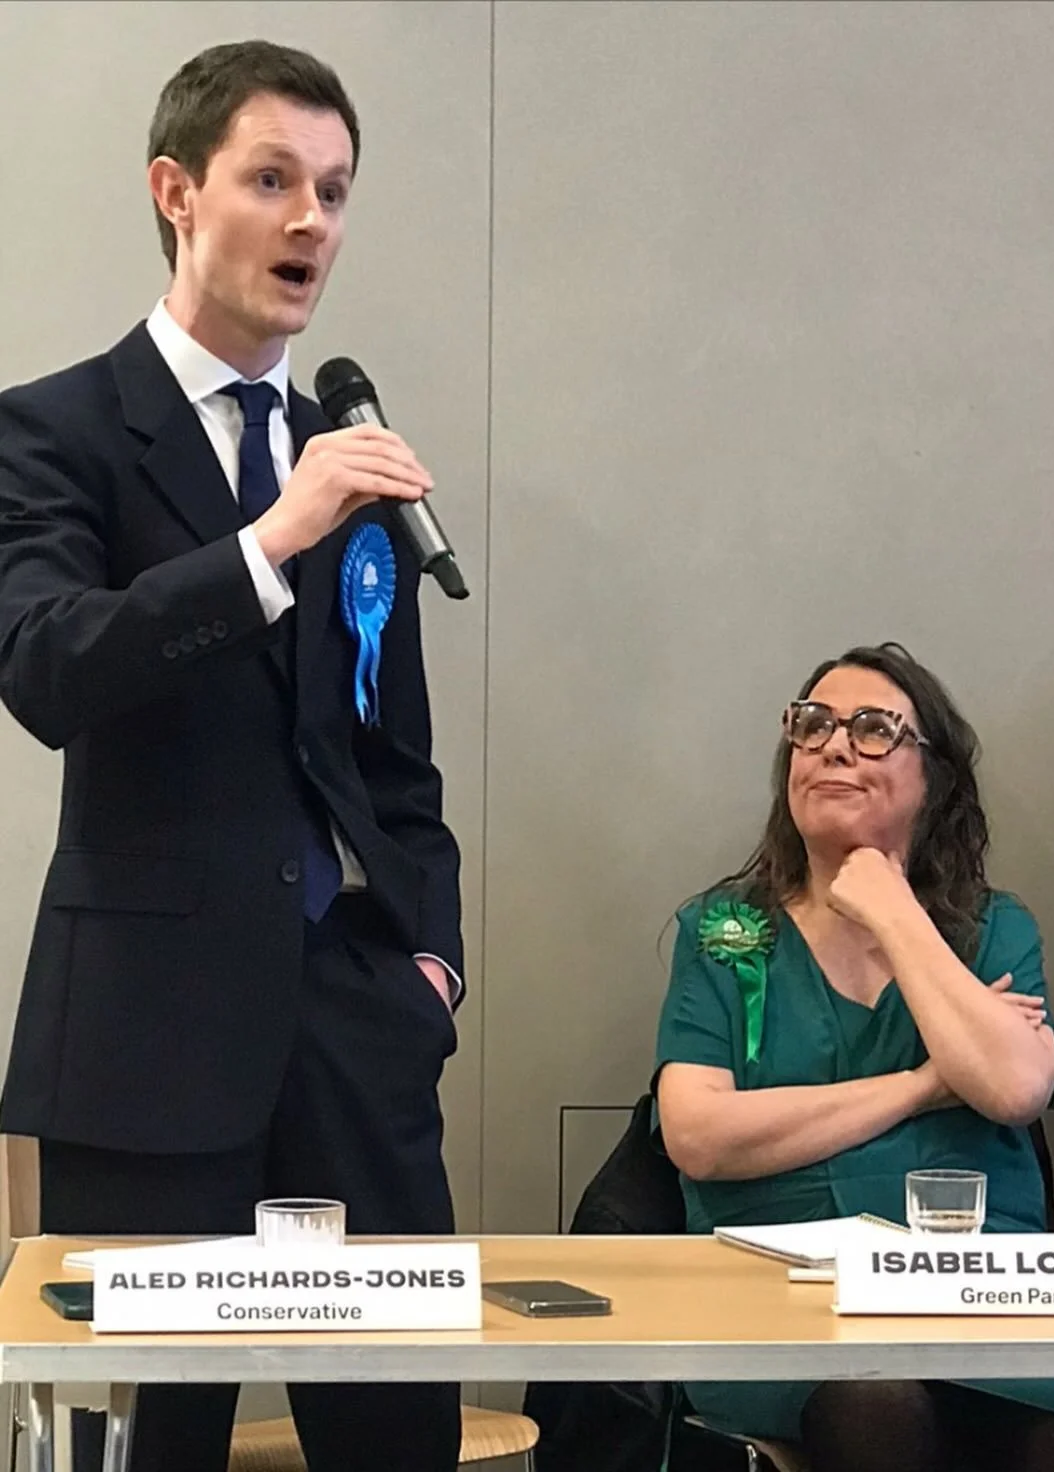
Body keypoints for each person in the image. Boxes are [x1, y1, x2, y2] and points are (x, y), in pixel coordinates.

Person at [0, 40, 463, 1472]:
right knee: (148, 1444)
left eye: (334, 189)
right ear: (176, 192)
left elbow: (394, 763)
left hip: (360, 1032)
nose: (312, 219)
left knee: (400, 1437)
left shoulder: (348, 458)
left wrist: (428, 965)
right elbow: (49, 665)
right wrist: (271, 541)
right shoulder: (53, 429)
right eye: (273, 180)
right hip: (146, 1039)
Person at [655, 642, 1054, 1472]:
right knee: (877, 1404)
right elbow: (699, 1136)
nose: (833, 746)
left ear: (933, 779)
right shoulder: (724, 931)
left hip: (981, 1305)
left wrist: (893, 910)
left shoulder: (996, 928)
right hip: (788, 1309)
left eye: (872, 729)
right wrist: (925, 1084)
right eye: (813, 725)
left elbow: (1014, 1088)